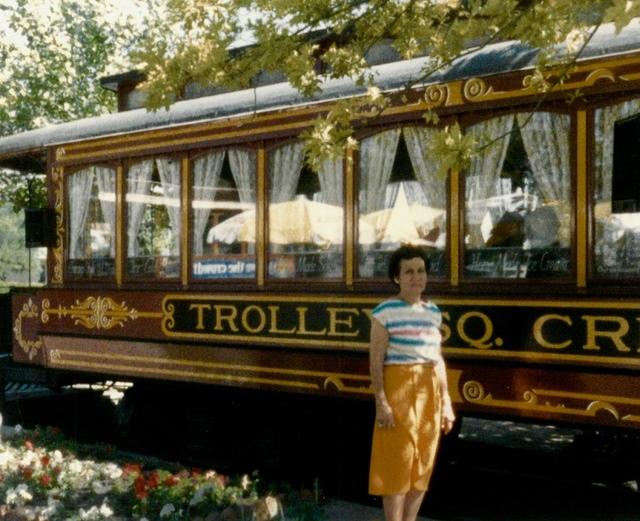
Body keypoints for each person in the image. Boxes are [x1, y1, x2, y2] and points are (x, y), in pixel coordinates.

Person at [369, 245, 456, 521]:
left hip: (428, 389)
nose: (416, 277)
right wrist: (381, 402)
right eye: (408, 271)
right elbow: (375, 361)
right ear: (397, 277)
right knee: (397, 462)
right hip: (399, 387)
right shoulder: (384, 311)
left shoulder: (432, 312)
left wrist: (447, 404)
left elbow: (437, 359)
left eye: (420, 271)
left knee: (422, 463)